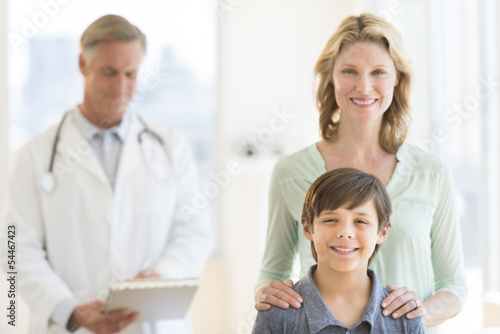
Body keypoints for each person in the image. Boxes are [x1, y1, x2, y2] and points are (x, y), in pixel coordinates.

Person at [0, 15, 213, 334]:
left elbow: (194, 232)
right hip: (72, 326)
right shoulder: (34, 156)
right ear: (83, 64)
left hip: (151, 323)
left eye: (131, 74)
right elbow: (17, 249)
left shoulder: (171, 147)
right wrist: (72, 310)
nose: (121, 87)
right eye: (109, 73)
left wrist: (161, 279)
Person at [254, 13, 467, 332]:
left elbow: (455, 285)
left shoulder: (432, 172)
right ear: (331, 77)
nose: (364, 86)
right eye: (349, 71)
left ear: (397, 77)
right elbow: (272, 270)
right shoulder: (291, 171)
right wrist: (269, 298)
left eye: (378, 72)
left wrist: (414, 313)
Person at [252, 168, 426, 333]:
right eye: (330, 219)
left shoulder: (406, 317)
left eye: (360, 221)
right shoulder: (276, 315)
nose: (345, 233)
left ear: (382, 232)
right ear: (307, 228)